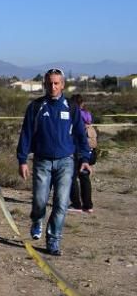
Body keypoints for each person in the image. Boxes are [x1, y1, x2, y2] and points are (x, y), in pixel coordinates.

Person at [16, 69, 92, 256]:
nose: (53, 87)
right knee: (40, 200)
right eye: (49, 83)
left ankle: (53, 240)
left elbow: (81, 135)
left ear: (63, 85)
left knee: (61, 203)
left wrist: (85, 159)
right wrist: (22, 160)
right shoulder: (36, 107)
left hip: (66, 162)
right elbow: (25, 134)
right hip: (42, 161)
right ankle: (37, 220)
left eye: (56, 83)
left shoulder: (71, 107)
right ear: (44, 84)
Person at [68, 94, 97, 214]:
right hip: (89, 150)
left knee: (72, 177)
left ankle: (76, 204)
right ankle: (88, 205)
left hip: (76, 149)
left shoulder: (74, 115)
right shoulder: (88, 115)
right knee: (84, 177)